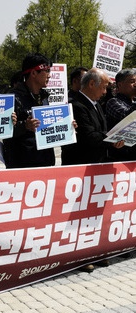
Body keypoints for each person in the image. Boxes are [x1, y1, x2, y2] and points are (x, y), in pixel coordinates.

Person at [61, 68, 125, 272]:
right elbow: (88, 135)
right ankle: (78, 257)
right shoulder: (76, 105)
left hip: (97, 164)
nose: (106, 91)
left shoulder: (96, 105)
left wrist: (112, 139)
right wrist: (111, 139)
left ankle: (93, 251)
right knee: (79, 214)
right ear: (91, 84)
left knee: (93, 214)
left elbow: (100, 131)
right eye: (104, 86)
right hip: (81, 165)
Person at [3, 53, 55, 169]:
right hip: (23, 165)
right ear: (33, 73)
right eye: (46, 71)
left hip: (45, 161)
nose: (49, 75)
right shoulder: (12, 98)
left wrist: (66, 126)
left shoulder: (44, 97)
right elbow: (3, 130)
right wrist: (25, 126)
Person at [105, 68, 136, 161]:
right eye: (132, 81)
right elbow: (126, 116)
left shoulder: (134, 102)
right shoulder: (113, 102)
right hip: (120, 158)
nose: (135, 85)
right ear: (120, 85)